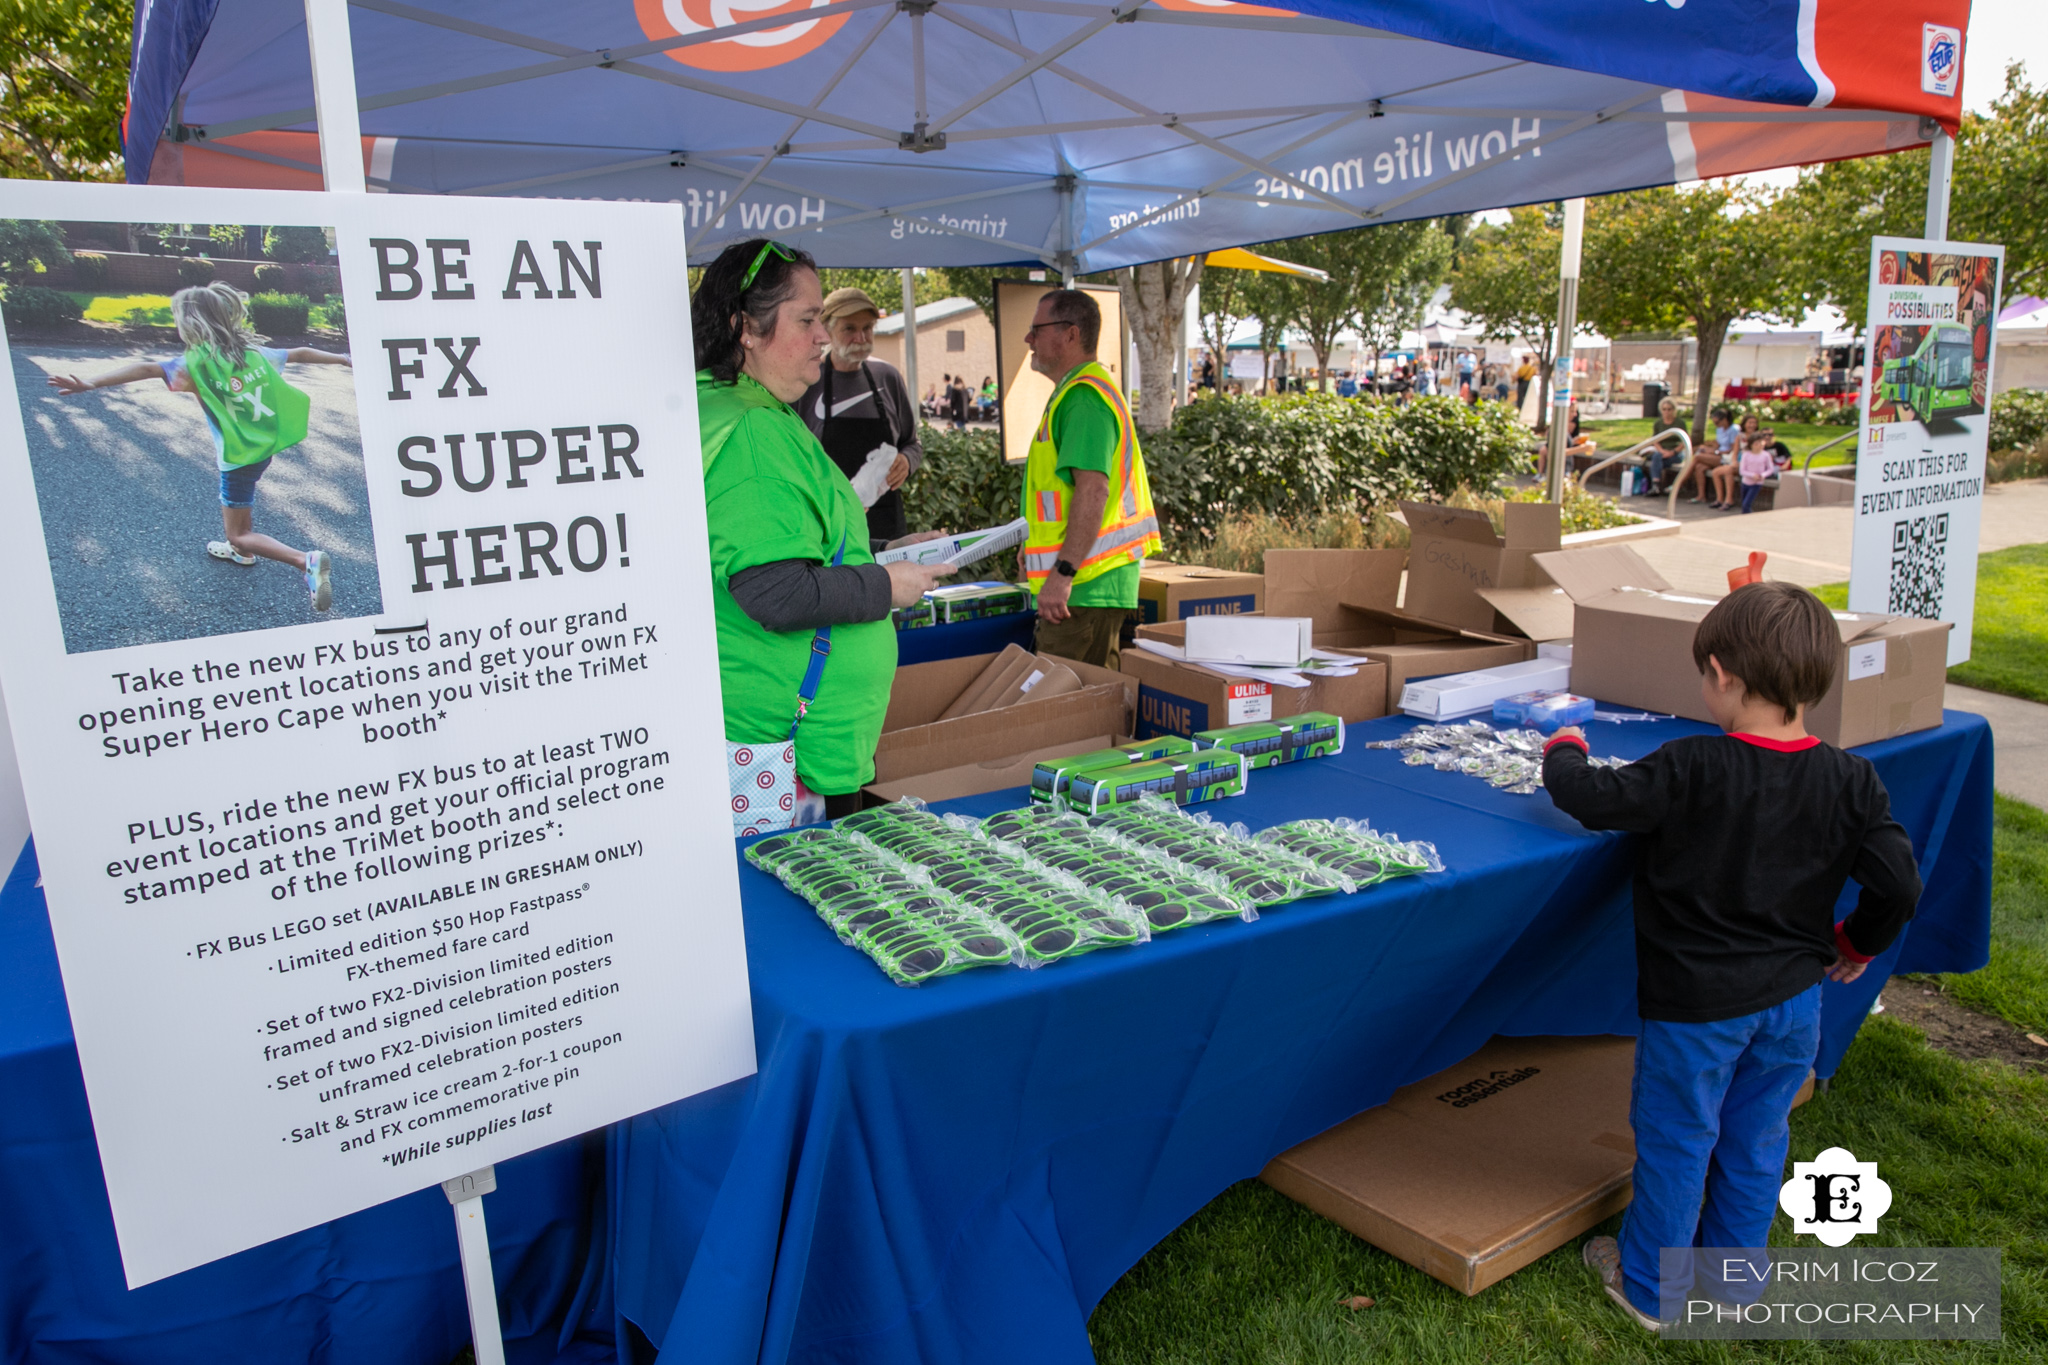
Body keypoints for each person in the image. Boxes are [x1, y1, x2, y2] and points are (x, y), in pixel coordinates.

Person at [1544, 583, 1920, 1330]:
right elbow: (1899, 884)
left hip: (1698, 1008)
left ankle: (1650, 1289)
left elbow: (1592, 798)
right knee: (1755, 1138)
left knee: (1680, 1140)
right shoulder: (1852, 778)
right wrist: (1855, 943)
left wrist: (1563, 746)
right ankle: (1735, 1284)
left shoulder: (1690, 766)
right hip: (1793, 1005)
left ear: (1719, 672)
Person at [693, 239, 952, 833]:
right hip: (785, 756)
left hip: (792, 745)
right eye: (807, 320)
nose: (824, 336)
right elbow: (776, 591)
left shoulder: (751, 407)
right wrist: (885, 586)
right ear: (746, 329)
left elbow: (798, 542)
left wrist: (887, 554)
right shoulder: (753, 429)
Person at [46, 281, 350, 612]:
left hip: (237, 458)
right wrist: (343, 358)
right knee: (240, 512)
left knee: (238, 531)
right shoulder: (255, 353)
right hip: (263, 448)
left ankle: (302, 560)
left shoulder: (195, 365)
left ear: (190, 323)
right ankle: (242, 553)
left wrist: (92, 382)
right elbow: (301, 353)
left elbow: (148, 369)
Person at [1019, 288, 1161, 668]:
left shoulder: (1084, 399)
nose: (1028, 339)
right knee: (1089, 703)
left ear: (1071, 334)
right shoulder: (1076, 394)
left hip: (1083, 587)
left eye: (1037, 329)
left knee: (1065, 707)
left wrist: (1062, 574)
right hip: (1085, 585)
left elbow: (1094, 491)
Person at [798, 286, 922, 544]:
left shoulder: (887, 377)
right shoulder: (807, 382)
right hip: (828, 525)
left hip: (886, 526)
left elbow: (912, 443)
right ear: (827, 330)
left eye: (867, 328)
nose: (861, 337)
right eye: (849, 329)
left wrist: (907, 461)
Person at [1643, 395, 1688, 494]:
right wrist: (1663, 451)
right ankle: (1656, 485)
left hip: (1676, 452)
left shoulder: (1680, 423)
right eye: (1664, 409)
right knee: (1657, 457)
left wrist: (1673, 452)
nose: (1666, 412)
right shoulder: (1658, 423)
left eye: (1669, 409)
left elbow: (1684, 442)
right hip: (1662, 452)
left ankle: (1655, 485)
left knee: (1656, 460)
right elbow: (1656, 440)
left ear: (1673, 410)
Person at [1737, 430, 1776, 513]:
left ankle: (1748, 519)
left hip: (1757, 483)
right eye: (1756, 443)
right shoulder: (1746, 455)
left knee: (1746, 504)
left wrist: (1763, 475)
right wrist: (1752, 475)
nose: (1759, 445)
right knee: (1744, 504)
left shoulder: (1766, 455)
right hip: (1746, 483)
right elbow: (1742, 471)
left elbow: (1770, 469)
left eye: (1761, 443)